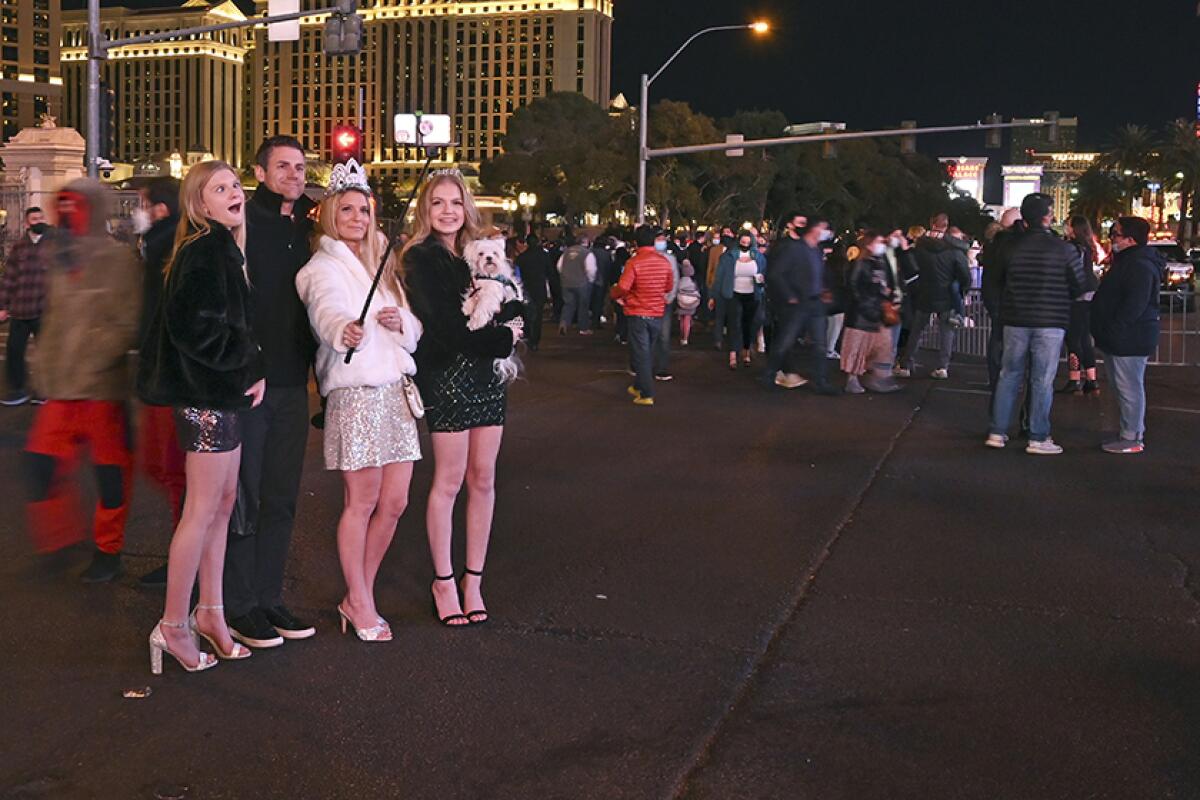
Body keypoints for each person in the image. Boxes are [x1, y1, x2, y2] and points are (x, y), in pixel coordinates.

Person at [137, 161, 265, 673]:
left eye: (235, 185)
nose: (233, 193)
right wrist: (246, 365)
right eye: (220, 188)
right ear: (199, 203)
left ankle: (210, 612)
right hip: (207, 398)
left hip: (220, 395)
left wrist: (245, 367)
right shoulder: (206, 248)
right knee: (203, 509)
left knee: (221, 503)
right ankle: (173, 624)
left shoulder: (223, 249)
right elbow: (195, 330)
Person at [296, 161, 423, 640]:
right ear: (330, 214)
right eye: (346, 209)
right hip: (356, 396)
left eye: (363, 210)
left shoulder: (382, 266)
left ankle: (357, 593)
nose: (356, 217)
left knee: (395, 502)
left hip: (396, 394)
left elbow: (414, 330)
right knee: (362, 501)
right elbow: (325, 310)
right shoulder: (320, 268)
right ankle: (362, 601)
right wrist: (342, 331)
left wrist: (401, 324)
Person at [404, 170, 524, 627]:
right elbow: (445, 332)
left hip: (487, 379)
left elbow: (515, 304)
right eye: (438, 203)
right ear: (426, 210)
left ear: (467, 207)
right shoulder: (420, 258)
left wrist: (510, 322)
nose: (448, 210)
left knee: (484, 479)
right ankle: (443, 581)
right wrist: (501, 339)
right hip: (448, 375)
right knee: (449, 481)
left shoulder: (483, 253)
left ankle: (474, 579)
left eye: (456, 202)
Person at [225, 135, 318, 649]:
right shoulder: (242, 224)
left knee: (281, 497)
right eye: (283, 166)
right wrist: (247, 365)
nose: (294, 174)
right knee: (246, 497)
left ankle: (268, 597)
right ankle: (237, 605)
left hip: (294, 384)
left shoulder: (310, 225)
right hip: (251, 385)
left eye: (300, 167)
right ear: (259, 172)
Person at [23, 182, 141, 582]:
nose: (69, 217)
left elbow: (125, 323)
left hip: (100, 391)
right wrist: (44, 368)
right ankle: (61, 540)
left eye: (76, 209)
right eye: (64, 209)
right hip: (60, 389)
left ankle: (109, 551)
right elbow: (53, 320)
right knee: (41, 466)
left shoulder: (117, 258)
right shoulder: (59, 258)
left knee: (109, 477)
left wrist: (90, 363)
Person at [985, 193, 1088, 454]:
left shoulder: (1009, 247)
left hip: (1015, 318)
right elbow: (1079, 284)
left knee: (1008, 375)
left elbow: (996, 281)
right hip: (1051, 320)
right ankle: (1037, 436)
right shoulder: (1063, 249)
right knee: (1042, 379)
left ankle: (997, 431)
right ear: (1047, 216)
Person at [132, 177, 186, 588]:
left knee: (175, 470)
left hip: (169, 375)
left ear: (162, 209)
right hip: (163, 372)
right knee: (167, 468)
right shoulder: (159, 244)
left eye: (144, 204)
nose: (140, 211)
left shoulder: (167, 246)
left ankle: (186, 561)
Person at [1090, 216, 1162, 454]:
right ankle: (1130, 433)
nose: (1112, 238)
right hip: (1122, 336)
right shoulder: (1130, 261)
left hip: (1129, 337)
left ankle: (1132, 436)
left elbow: (1134, 305)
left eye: (1116, 234)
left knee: (1128, 387)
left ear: (1131, 240)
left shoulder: (1138, 265)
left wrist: (1113, 328)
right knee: (1124, 387)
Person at [763, 217, 838, 394]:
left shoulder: (816, 251)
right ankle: (769, 375)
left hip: (815, 303)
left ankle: (821, 382)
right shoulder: (793, 249)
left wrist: (824, 290)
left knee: (820, 344)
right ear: (814, 229)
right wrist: (789, 295)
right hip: (798, 304)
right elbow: (775, 274)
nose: (826, 232)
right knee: (785, 342)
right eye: (823, 227)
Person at [896, 213, 971, 379]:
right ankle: (942, 367)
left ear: (931, 223)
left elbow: (912, 268)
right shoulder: (955, 250)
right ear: (946, 225)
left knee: (916, 330)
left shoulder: (920, 246)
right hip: (946, 295)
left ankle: (906, 364)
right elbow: (965, 275)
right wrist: (961, 289)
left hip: (925, 293)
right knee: (947, 332)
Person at [611, 225, 674, 406]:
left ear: (636, 242)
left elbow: (623, 287)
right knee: (647, 351)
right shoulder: (664, 262)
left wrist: (614, 293)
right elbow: (668, 287)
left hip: (638, 312)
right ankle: (639, 385)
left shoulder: (634, 262)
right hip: (657, 312)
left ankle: (647, 393)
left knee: (641, 354)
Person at [0, 207, 50, 406]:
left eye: (41, 217)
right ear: (27, 223)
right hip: (21, 308)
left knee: (46, 352)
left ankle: (43, 390)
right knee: (14, 351)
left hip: (44, 308)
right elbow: (9, 279)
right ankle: (18, 389)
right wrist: (3, 306)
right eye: (34, 219)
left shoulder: (52, 244)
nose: (39, 221)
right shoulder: (19, 247)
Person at [840, 231, 901, 394]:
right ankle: (853, 379)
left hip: (876, 310)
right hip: (863, 313)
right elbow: (854, 287)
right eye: (879, 241)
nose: (882, 245)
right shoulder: (861, 263)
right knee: (857, 347)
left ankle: (877, 377)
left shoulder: (878, 262)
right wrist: (868, 303)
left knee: (881, 346)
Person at [710, 230, 766, 370]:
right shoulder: (728, 257)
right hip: (733, 293)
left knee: (749, 323)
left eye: (748, 243)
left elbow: (764, 273)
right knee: (734, 324)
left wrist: (762, 281)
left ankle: (746, 351)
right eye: (743, 242)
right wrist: (713, 295)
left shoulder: (758, 257)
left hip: (753, 294)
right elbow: (719, 277)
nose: (745, 245)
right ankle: (733, 354)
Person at [1060, 216, 1101, 395]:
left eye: (1067, 225)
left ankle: (1074, 378)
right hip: (1090, 293)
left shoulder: (1071, 247)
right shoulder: (1088, 247)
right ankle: (1091, 379)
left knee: (1073, 338)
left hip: (1076, 295)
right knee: (1084, 338)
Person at [653, 230, 682, 381]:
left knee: (663, 336)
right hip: (648, 302)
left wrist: (670, 297)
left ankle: (661, 368)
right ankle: (642, 365)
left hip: (664, 301)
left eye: (663, 239)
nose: (661, 241)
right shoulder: (644, 257)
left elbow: (675, 279)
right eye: (659, 239)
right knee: (647, 336)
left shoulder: (670, 259)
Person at [514, 232, 551, 351]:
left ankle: (529, 336)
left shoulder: (522, 257)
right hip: (539, 288)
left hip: (526, 288)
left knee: (527, 313)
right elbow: (550, 272)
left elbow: (517, 275)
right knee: (538, 315)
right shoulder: (544, 256)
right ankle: (535, 340)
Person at [557, 234, 596, 335]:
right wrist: (590, 280)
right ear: (586, 243)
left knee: (568, 304)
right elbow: (591, 270)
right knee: (583, 305)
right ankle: (583, 328)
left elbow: (559, 267)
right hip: (582, 283)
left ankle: (564, 323)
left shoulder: (566, 252)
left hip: (566, 283)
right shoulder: (587, 253)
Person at [675, 261, 702, 345]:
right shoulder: (693, 282)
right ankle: (686, 338)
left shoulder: (679, 281)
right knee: (687, 319)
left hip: (681, 303)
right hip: (691, 303)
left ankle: (682, 336)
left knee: (682, 321)